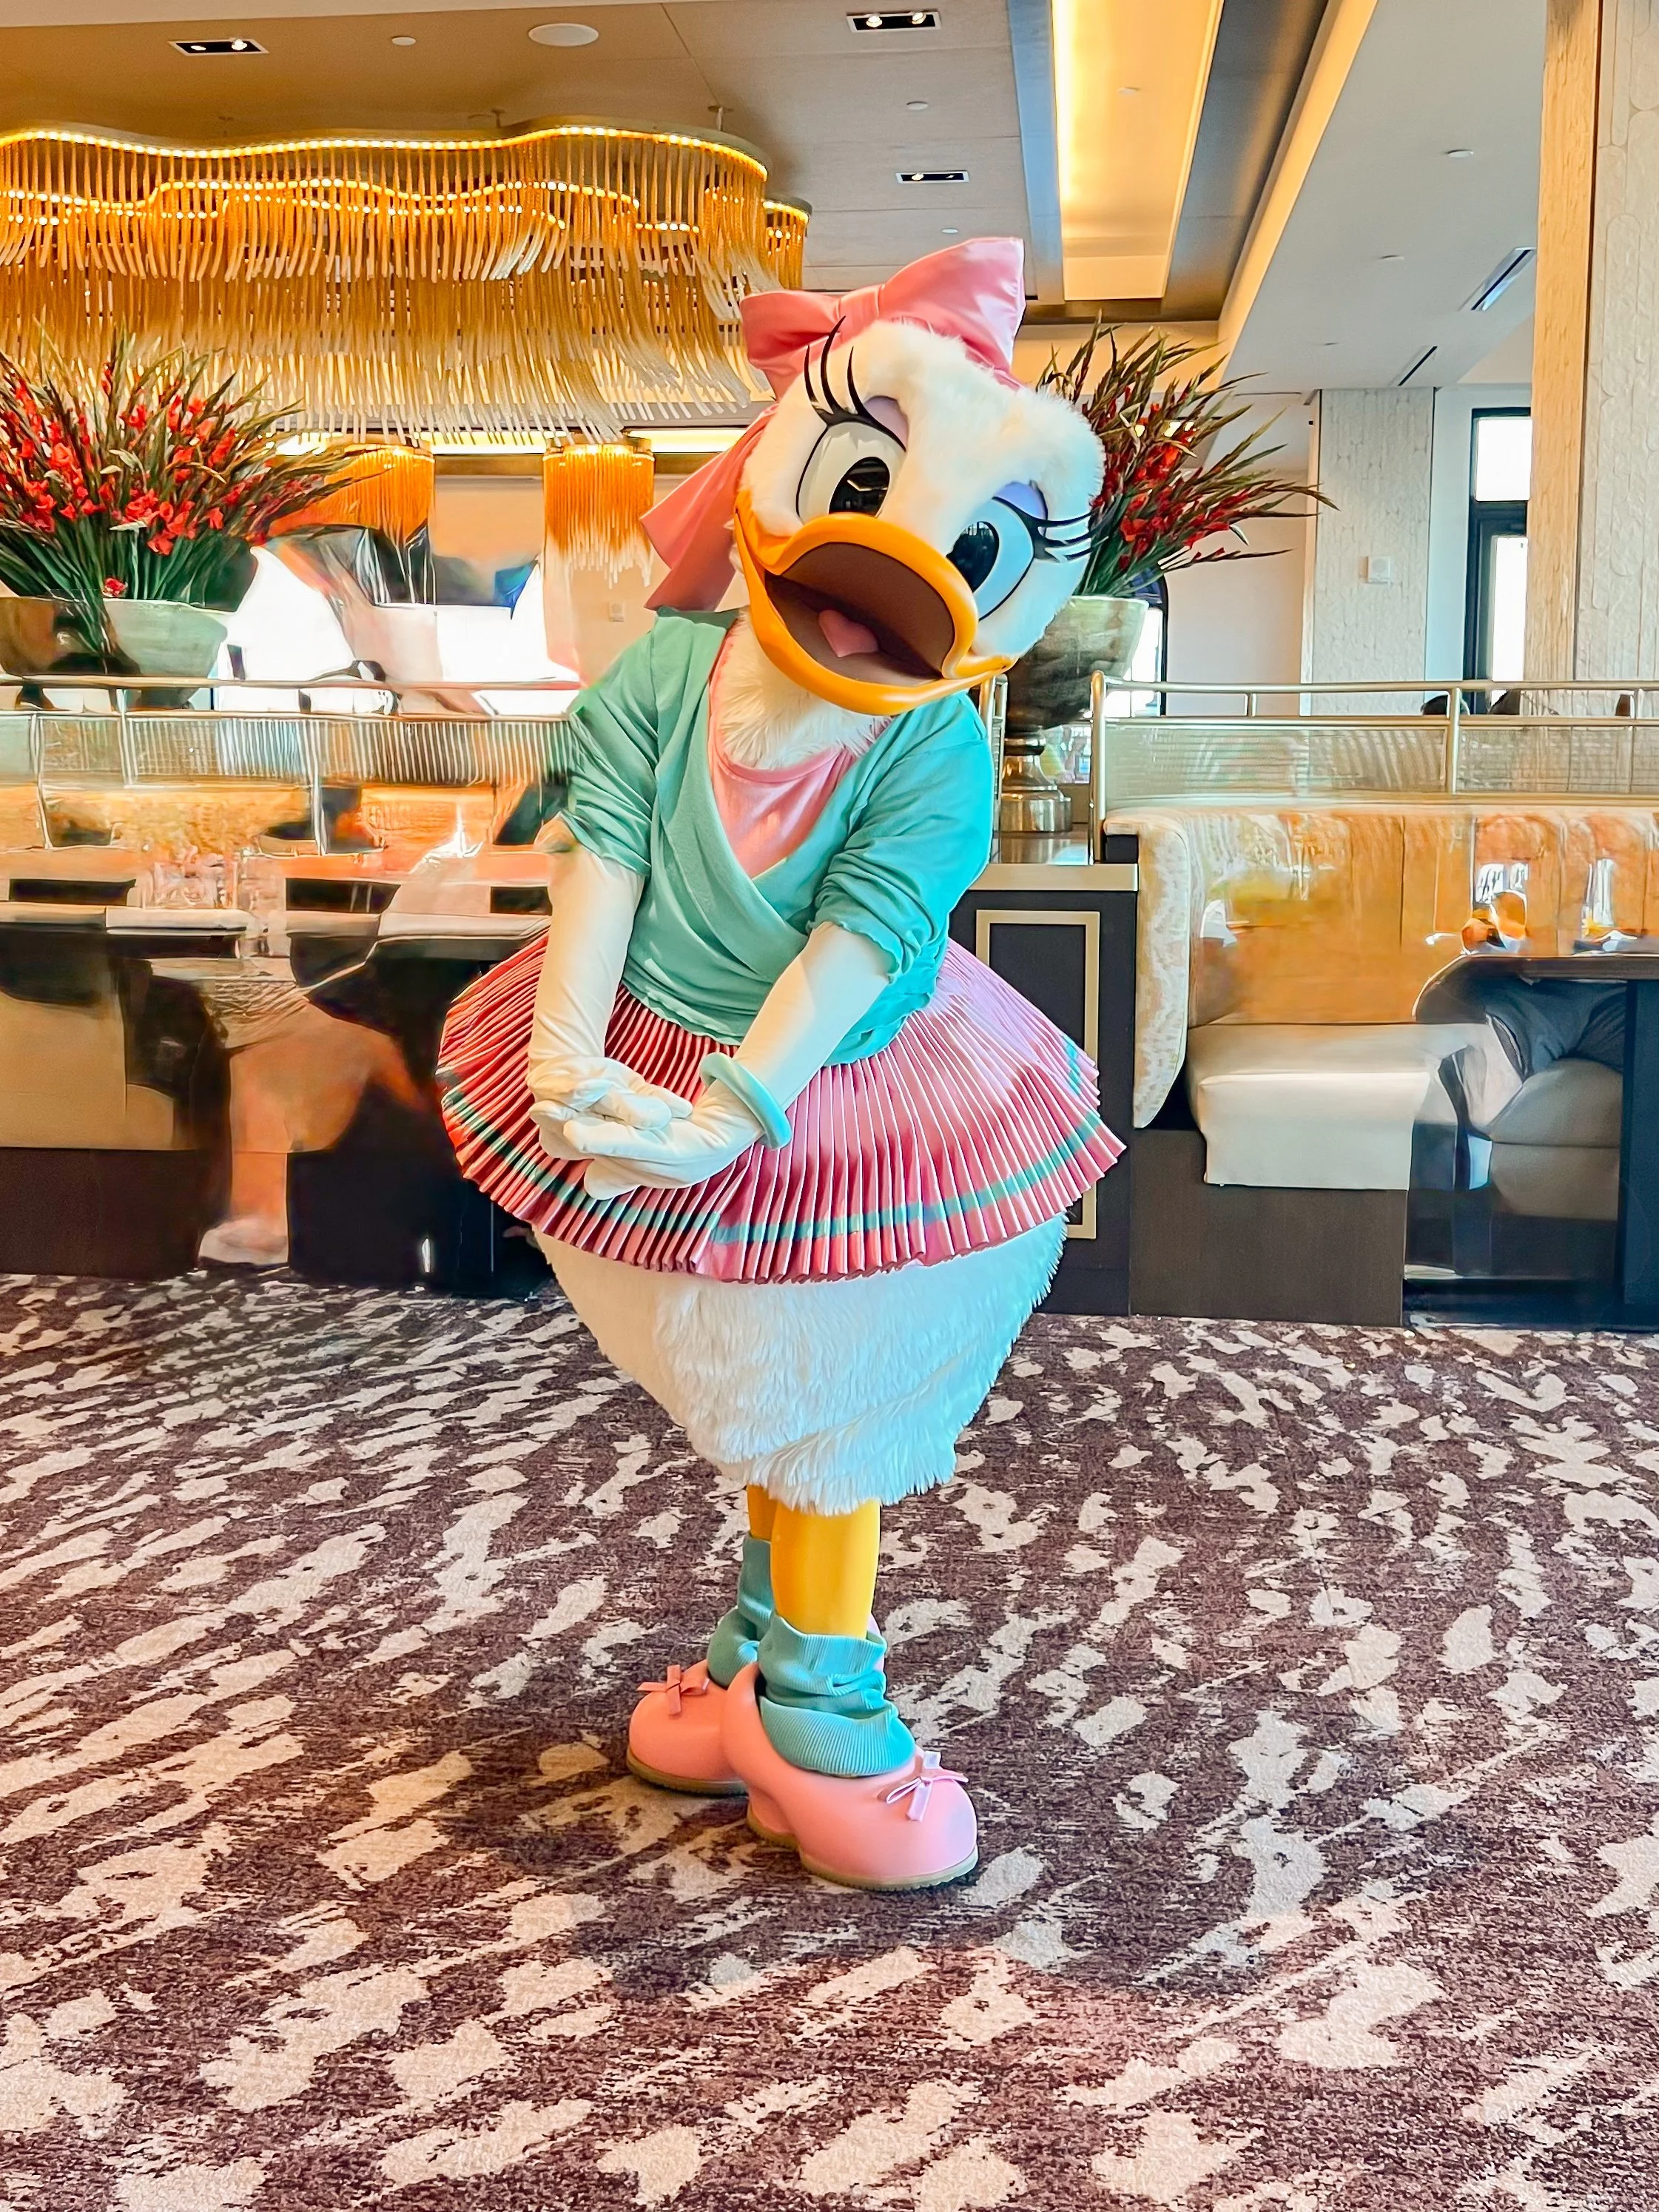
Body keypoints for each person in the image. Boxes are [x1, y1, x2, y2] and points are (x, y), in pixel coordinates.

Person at [440, 240, 1121, 1890]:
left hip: (859, 1099)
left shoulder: (931, 742)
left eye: (963, 548)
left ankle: (815, 1694)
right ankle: (767, 1653)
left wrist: (732, 1110)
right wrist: (566, 1057)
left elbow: (864, 938)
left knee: (838, 1393)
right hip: (649, 1050)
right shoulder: (667, 669)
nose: (889, 569)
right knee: (755, 1379)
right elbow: (597, 848)